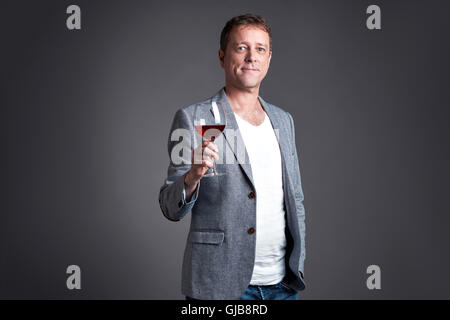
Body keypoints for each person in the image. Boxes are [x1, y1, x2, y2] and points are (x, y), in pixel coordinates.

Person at [159, 13, 306, 300]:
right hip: (220, 285)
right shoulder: (193, 118)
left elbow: (295, 198)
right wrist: (192, 176)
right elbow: (169, 206)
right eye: (241, 48)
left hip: (283, 286)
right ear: (222, 56)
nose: (252, 56)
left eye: (260, 49)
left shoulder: (283, 120)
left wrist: (297, 265)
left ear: (269, 58)